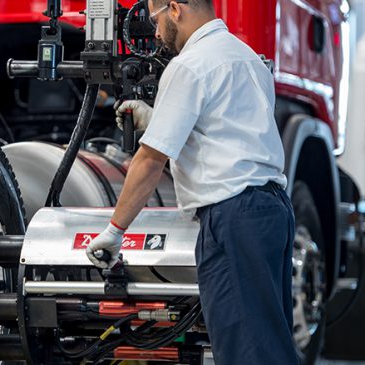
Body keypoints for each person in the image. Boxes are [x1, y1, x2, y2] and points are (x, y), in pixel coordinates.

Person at [84, 0, 300, 363]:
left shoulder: (189, 65)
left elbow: (150, 161)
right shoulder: (247, 58)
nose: (154, 32)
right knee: (270, 343)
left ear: (175, 9)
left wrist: (114, 231)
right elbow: (226, 135)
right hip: (272, 210)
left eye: (155, 19)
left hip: (233, 217)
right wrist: (159, 119)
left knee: (245, 351)